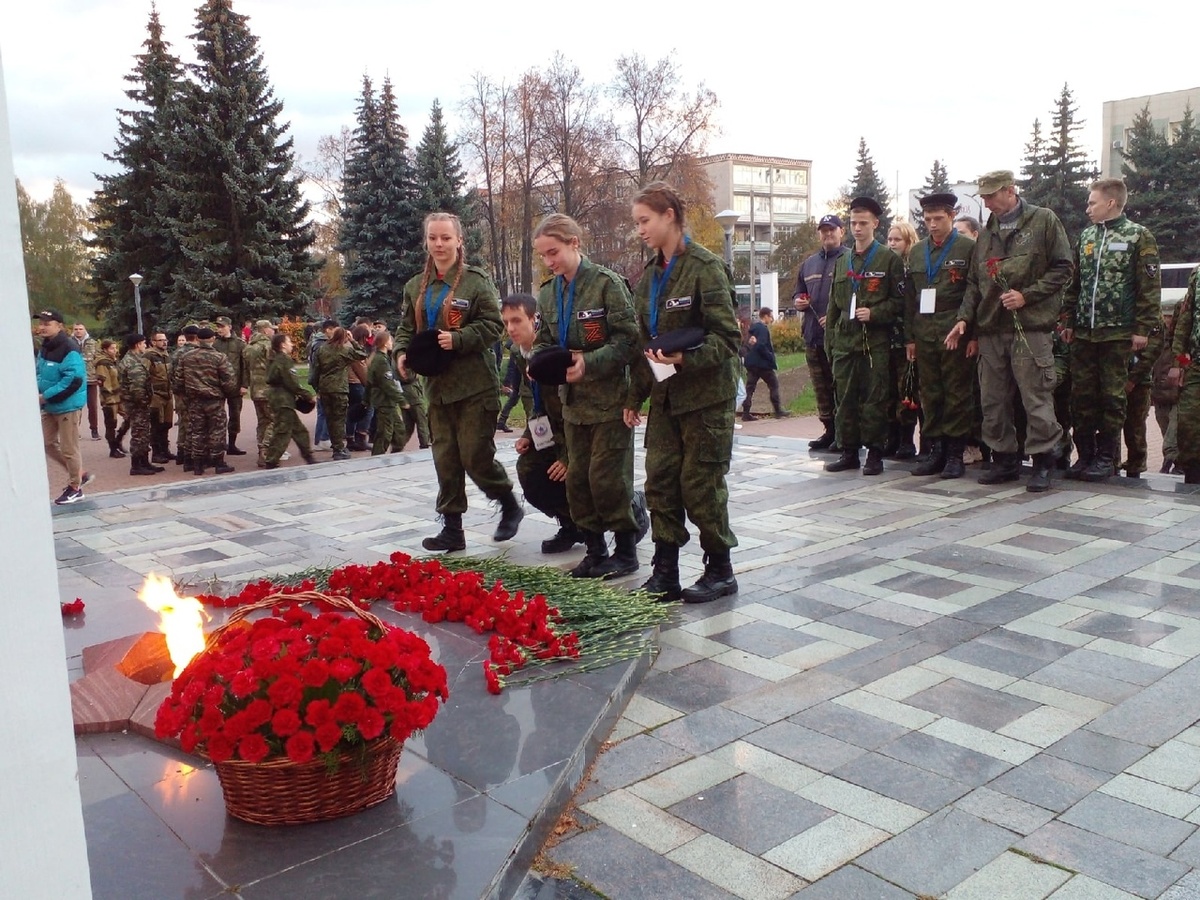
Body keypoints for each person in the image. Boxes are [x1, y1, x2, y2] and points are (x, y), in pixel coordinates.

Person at [624, 182, 740, 604]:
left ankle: (721, 569)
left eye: (645, 220)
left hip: (706, 399)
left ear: (669, 215)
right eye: (637, 222)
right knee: (660, 483)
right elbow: (644, 345)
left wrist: (684, 360)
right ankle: (666, 571)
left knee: (700, 484)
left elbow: (728, 339)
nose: (639, 230)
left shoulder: (705, 268)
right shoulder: (649, 279)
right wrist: (634, 398)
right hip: (667, 399)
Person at [396, 211, 523, 550]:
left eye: (446, 238)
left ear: (459, 241)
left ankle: (509, 504)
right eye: (433, 238)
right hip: (436, 387)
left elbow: (494, 326)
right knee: (445, 459)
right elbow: (407, 329)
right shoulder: (415, 287)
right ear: (426, 242)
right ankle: (452, 529)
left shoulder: (475, 281)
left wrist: (460, 338)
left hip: (474, 387)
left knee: (475, 456)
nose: (439, 244)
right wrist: (401, 352)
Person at [946, 170, 1073, 492]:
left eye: (990, 196)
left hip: (1029, 327)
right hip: (991, 328)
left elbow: (1063, 268)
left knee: (1035, 396)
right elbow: (975, 283)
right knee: (993, 399)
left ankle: (1044, 460)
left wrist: (1027, 295)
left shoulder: (1043, 221)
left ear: (1010, 191)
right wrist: (965, 319)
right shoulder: (987, 232)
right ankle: (1005, 459)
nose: (986, 203)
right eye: (984, 197)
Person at [533, 213, 641, 578]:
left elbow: (629, 340)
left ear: (574, 243)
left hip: (610, 401)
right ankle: (595, 550)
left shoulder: (607, 285)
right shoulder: (549, 293)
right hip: (573, 405)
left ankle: (626, 550)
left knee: (608, 480)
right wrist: (541, 363)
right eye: (544, 256)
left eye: (554, 252)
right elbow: (546, 340)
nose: (549, 262)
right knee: (578, 482)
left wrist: (589, 363)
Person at [1061, 178, 1162, 482]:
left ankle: (1107, 457)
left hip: (1118, 333)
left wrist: (1142, 329)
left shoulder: (1138, 236)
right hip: (1084, 333)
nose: (1087, 208)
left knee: (1112, 398)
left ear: (1111, 203)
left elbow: (1149, 287)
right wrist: (1067, 320)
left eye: (1092, 202)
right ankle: (1086, 456)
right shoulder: (1087, 236)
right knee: (1082, 396)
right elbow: (1074, 283)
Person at [824, 197, 906, 476]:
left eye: (863, 223)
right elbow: (834, 305)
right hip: (845, 344)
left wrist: (875, 312)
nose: (857, 228)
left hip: (874, 344)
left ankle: (874, 453)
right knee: (844, 399)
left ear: (875, 224)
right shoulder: (843, 260)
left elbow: (899, 302)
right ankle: (848, 451)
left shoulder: (888, 259)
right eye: (853, 223)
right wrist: (830, 341)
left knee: (874, 400)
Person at [904, 193, 976, 479]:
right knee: (930, 393)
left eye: (938, 219)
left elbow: (975, 292)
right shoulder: (918, 251)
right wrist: (910, 337)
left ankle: (956, 454)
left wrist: (972, 332)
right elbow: (911, 296)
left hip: (953, 330)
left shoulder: (967, 248)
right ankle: (936, 450)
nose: (932, 224)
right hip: (924, 331)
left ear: (951, 216)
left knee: (956, 393)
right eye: (927, 219)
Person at [793, 214, 846, 450]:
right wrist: (798, 301)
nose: (827, 234)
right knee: (820, 388)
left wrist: (836, 318)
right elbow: (798, 292)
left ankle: (844, 434)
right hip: (813, 336)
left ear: (841, 231)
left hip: (839, 338)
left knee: (840, 387)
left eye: (832, 230)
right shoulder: (809, 263)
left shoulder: (849, 259)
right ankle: (829, 430)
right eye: (823, 230)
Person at [35, 309, 92, 504]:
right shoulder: (46, 346)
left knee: (69, 448)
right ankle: (80, 473)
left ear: (59, 326)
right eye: (41, 323)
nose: (42, 327)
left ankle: (75, 488)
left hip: (67, 405)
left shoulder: (69, 348)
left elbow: (74, 380)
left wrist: (45, 396)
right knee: (46, 442)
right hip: (50, 405)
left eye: (47, 323)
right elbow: (39, 372)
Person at [172, 326, 239, 475]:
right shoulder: (219, 357)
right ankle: (218, 462)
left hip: (194, 400)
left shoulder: (186, 357)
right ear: (212, 339)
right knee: (217, 430)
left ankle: (197, 464)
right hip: (214, 400)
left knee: (197, 431)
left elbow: (178, 380)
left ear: (197, 339)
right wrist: (228, 393)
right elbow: (229, 380)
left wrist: (185, 394)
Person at [885, 221, 921, 458]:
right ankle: (892, 437)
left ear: (909, 242)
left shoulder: (912, 266)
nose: (892, 244)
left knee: (907, 390)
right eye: (889, 240)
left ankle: (908, 440)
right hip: (887, 338)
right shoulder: (887, 265)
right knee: (889, 392)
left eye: (897, 240)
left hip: (907, 338)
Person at [312, 326, 367, 461]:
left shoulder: (321, 350)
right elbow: (362, 354)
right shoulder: (344, 350)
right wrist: (353, 341)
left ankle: (336, 445)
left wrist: (317, 388)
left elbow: (315, 372)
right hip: (339, 389)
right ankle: (339, 448)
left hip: (325, 388)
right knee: (339, 419)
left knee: (330, 418)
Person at [263, 332, 316, 468]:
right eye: (289, 342)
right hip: (283, 400)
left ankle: (308, 456)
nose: (292, 344)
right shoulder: (284, 360)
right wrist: (307, 395)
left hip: (280, 399)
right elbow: (291, 382)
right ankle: (271, 460)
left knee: (299, 430)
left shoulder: (273, 359)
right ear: (282, 345)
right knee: (282, 431)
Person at [118, 333, 163, 476]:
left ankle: (144, 462)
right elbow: (137, 388)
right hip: (137, 405)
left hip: (137, 404)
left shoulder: (135, 359)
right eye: (144, 343)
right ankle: (136, 465)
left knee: (143, 434)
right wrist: (144, 403)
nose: (146, 346)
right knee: (139, 434)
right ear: (138, 345)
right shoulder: (133, 362)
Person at [741, 307, 790, 420]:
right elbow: (761, 345)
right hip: (762, 364)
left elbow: (749, 344)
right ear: (766, 316)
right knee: (773, 384)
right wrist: (771, 357)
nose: (772, 319)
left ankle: (745, 413)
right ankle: (778, 411)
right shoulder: (763, 329)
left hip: (751, 362)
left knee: (749, 388)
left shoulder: (752, 328)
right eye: (771, 316)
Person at [365, 330, 408, 454]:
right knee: (384, 434)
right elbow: (388, 385)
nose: (391, 342)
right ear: (384, 343)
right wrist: (402, 401)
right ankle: (377, 458)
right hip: (384, 402)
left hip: (387, 402)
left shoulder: (382, 358)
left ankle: (395, 454)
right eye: (389, 340)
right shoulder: (380, 361)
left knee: (399, 431)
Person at [242, 319, 277, 467]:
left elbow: (245, 369)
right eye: (271, 329)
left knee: (263, 421)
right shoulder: (268, 346)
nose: (273, 331)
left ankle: (261, 449)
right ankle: (266, 448)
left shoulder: (249, 347)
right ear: (264, 330)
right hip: (269, 389)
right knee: (275, 420)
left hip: (256, 390)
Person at [213, 317, 247, 456]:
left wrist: (244, 385)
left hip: (235, 385)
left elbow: (244, 366)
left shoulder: (239, 344)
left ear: (229, 327)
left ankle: (232, 444)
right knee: (218, 416)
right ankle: (219, 445)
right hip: (218, 386)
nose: (219, 329)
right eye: (218, 326)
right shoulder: (215, 344)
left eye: (222, 326)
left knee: (235, 415)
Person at [169, 324, 200, 467]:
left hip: (179, 393)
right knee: (193, 425)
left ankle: (181, 452)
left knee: (183, 422)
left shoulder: (176, 353)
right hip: (193, 394)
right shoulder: (196, 353)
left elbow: (170, 374)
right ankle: (191, 455)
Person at [144, 331, 175, 463]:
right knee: (156, 424)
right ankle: (156, 453)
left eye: (165, 340)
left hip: (168, 394)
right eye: (161, 340)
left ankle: (165, 450)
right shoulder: (149, 355)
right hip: (156, 395)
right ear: (153, 342)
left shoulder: (166, 355)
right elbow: (144, 374)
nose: (164, 342)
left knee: (167, 424)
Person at [95, 339, 128, 458]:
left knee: (129, 417)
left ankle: (118, 440)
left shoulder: (114, 361)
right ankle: (113, 448)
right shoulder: (102, 363)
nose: (115, 351)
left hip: (119, 396)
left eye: (115, 348)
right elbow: (103, 382)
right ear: (105, 350)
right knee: (111, 423)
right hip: (109, 398)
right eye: (112, 349)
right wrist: (109, 395)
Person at [346, 323, 374, 451]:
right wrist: (368, 385)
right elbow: (361, 369)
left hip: (349, 383)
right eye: (367, 337)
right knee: (368, 407)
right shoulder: (355, 349)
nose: (369, 340)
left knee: (352, 411)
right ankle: (361, 436)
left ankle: (350, 438)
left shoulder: (348, 347)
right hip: (357, 383)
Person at [72, 322, 101, 441]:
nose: (78, 331)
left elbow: (98, 360)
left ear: (85, 330)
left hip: (91, 380)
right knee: (75, 406)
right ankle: (74, 431)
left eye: (80, 329)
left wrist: (99, 376)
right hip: (75, 380)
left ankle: (94, 430)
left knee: (92, 406)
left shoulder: (93, 343)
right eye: (76, 329)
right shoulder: (68, 343)